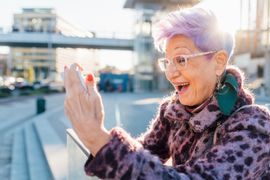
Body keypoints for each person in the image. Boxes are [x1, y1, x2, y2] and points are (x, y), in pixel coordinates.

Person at [63, 6, 270, 180]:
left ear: (218, 62)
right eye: (167, 62)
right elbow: (143, 153)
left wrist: (97, 138)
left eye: (181, 59)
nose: (170, 73)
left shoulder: (253, 126)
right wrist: (98, 133)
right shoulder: (173, 112)